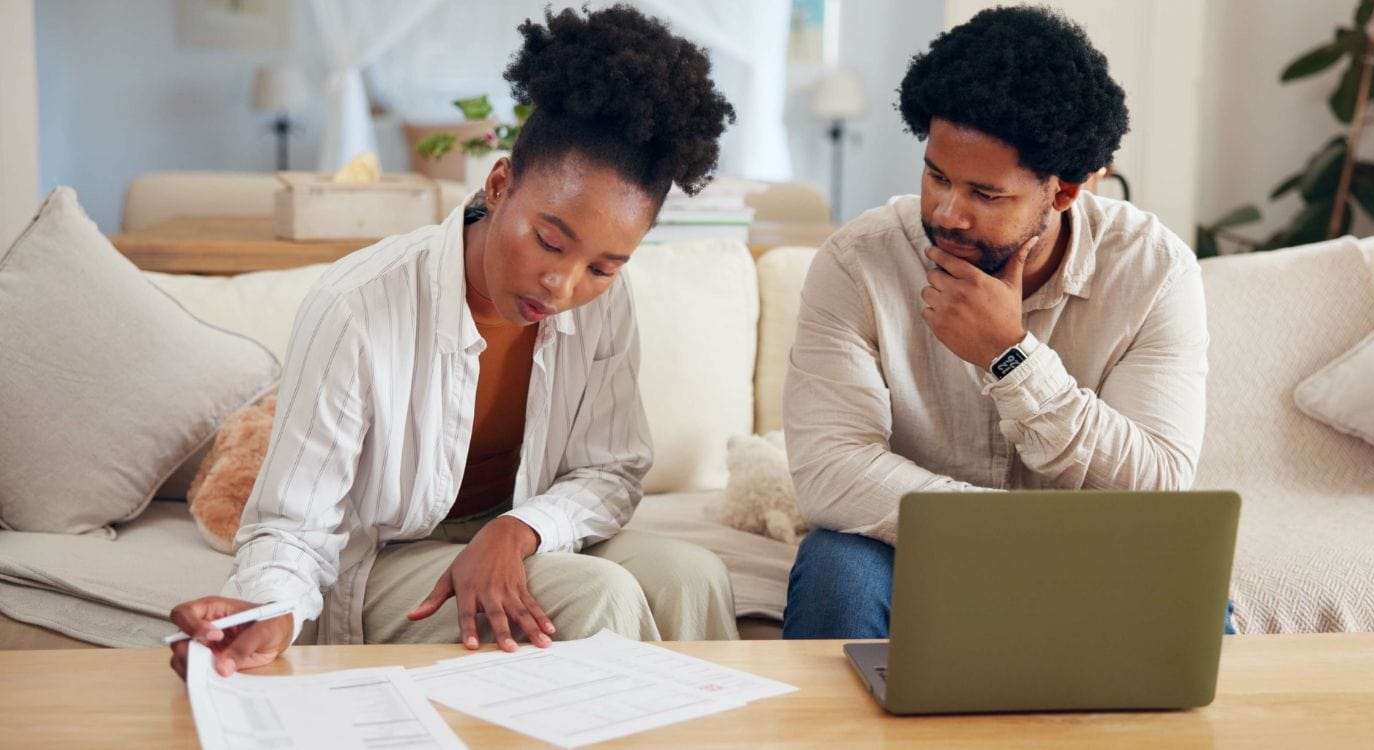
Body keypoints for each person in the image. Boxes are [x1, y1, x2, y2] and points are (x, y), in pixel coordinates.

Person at [170, 5, 740, 680]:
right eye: (550, 241)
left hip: (527, 535)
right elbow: (293, 523)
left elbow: (611, 471)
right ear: (499, 185)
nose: (563, 284)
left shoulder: (603, 307)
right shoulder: (357, 304)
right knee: (598, 594)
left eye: (604, 265)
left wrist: (518, 529)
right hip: (390, 561)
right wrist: (266, 610)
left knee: (693, 575)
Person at [781, 5, 1230, 638]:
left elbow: (1158, 484)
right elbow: (831, 471)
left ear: (1067, 191)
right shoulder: (860, 264)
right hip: (904, 545)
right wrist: (1006, 534)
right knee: (836, 570)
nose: (947, 212)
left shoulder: (1154, 272)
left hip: (1091, 556)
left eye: (986, 194)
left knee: (1191, 595)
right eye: (937, 176)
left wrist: (1009, 356)